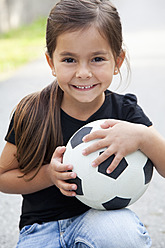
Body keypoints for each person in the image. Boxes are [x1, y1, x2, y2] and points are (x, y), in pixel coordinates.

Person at [0, 0, 165, 247]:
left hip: (100, 223)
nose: (83, 73)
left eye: (97, 59)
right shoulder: (32, 111)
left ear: (118, 61)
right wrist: (48, 175)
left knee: (123, 234)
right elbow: (3, 176)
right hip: (40, 229)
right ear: (50, 62)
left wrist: (143, 137)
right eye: (69, 60)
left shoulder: (125, 112)